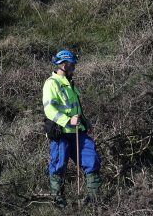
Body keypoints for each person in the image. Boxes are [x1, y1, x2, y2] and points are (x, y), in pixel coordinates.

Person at [43, 50, 101, 207]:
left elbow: (76, 108)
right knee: (58, 166)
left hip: (78, 132)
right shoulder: (51, 83)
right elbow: (50, 110)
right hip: (61, 133)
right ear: (63, 64)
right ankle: (59, 203)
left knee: (92, 159)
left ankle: (94, 200)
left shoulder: (70, 83)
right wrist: (68, 120)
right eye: (72, 64)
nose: (74, 67)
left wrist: (85, 120)